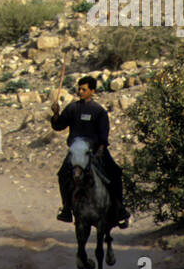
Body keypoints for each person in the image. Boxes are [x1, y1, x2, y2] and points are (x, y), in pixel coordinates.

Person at [51, 75, 129, 227]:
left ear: (92, 91)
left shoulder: (99, 111)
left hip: (95, 150)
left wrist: (100, 150)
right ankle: (67, 209)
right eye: (79, 89)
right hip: (76, 151)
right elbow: (58, 126)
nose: (80, 91)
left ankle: (119, 209)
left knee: (115, 172)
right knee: (62, 175)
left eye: (84, 89)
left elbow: (103, 136)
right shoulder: (73, 108)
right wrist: (55, 114)